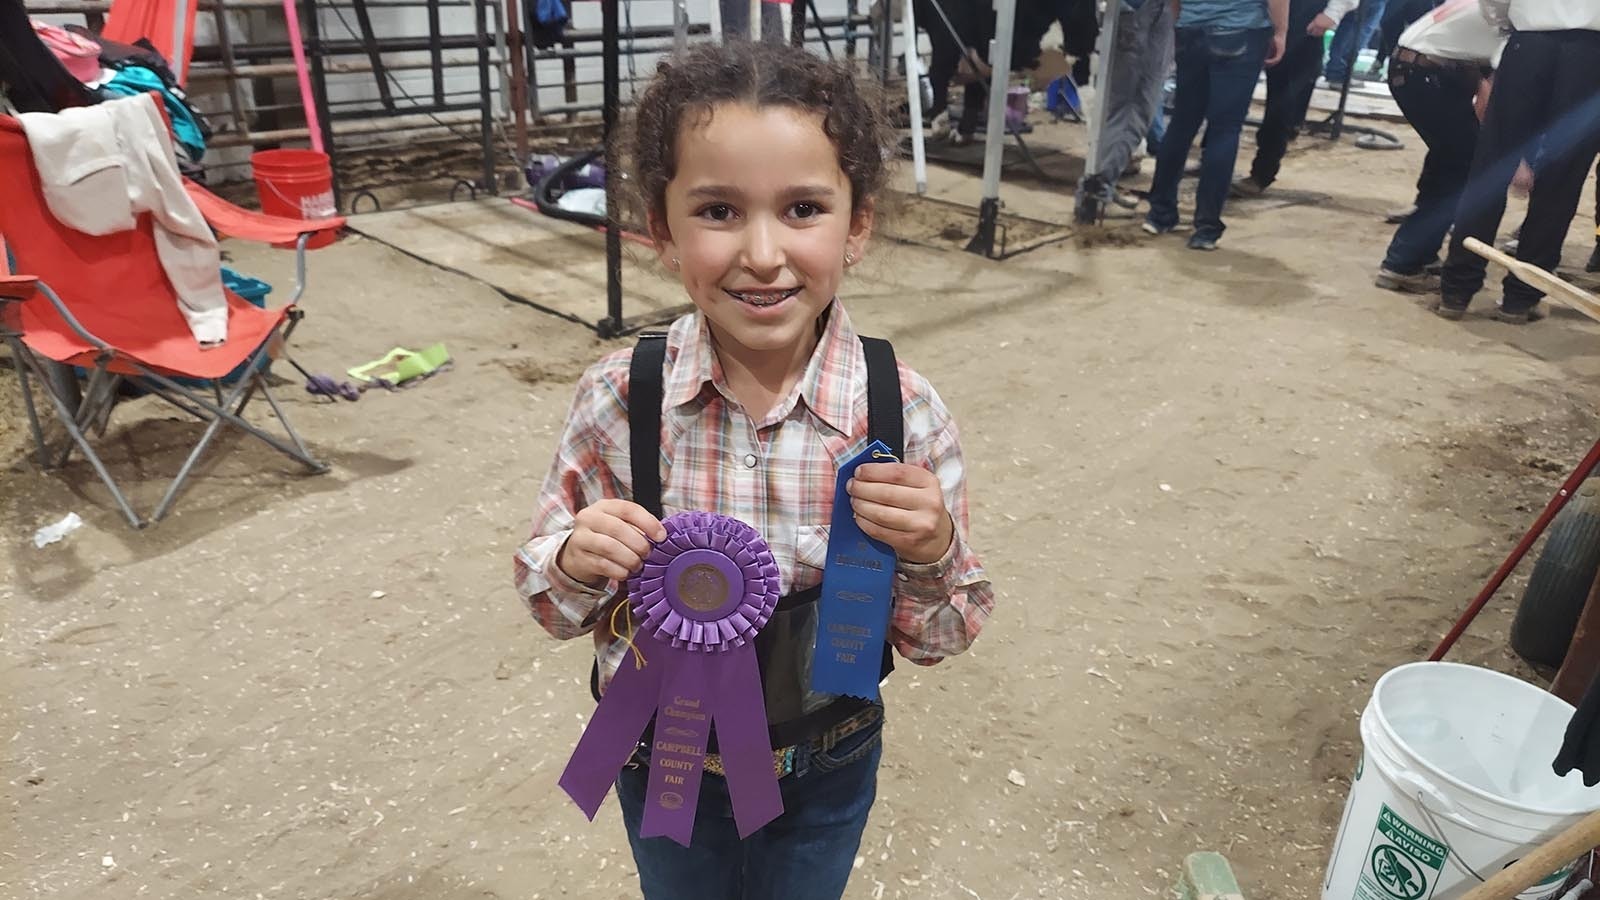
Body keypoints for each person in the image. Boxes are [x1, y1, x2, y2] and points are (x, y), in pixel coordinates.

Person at [512, 41, 995, 900]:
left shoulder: (901, 412)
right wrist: (574, 557)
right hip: (661, 753)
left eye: (804, 208)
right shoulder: (622, 397)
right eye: (719, 211)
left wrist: (933, 547)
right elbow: (550, 605)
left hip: (828, 757)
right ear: (661, 231)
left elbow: (940, 638)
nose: (764, 254)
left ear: (858, 226)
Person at [1434, 0, 1600, 322]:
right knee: (1562, 177)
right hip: (1592, 56)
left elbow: (1494, 3)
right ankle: (1521, 299)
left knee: (1493, 165)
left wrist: (1503, 19)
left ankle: (1456, 289)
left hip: (1530, 43)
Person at [1372, 0, 1501, 294]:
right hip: (1429, 73)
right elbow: (1488, 98)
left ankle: (1421, 254)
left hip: (1418, 66)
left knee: (1450, 160)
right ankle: (1403, 263)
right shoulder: (1531, 18)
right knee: (1463, 169)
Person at [1144, 0, 1290, 250]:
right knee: (1225, 128)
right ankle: (1206, 227)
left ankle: (1159, 214)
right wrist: (1281, 31)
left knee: (1182, 123)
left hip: (1191, 29)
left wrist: (1185, 19)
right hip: (1241, 30)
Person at [1232, 0, 1358, 196]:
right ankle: (1210, 160)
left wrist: (1334, 12)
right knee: (1228, 95)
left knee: (1282, 104)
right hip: (1250, 15)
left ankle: (1261, 173)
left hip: (1300, 23)